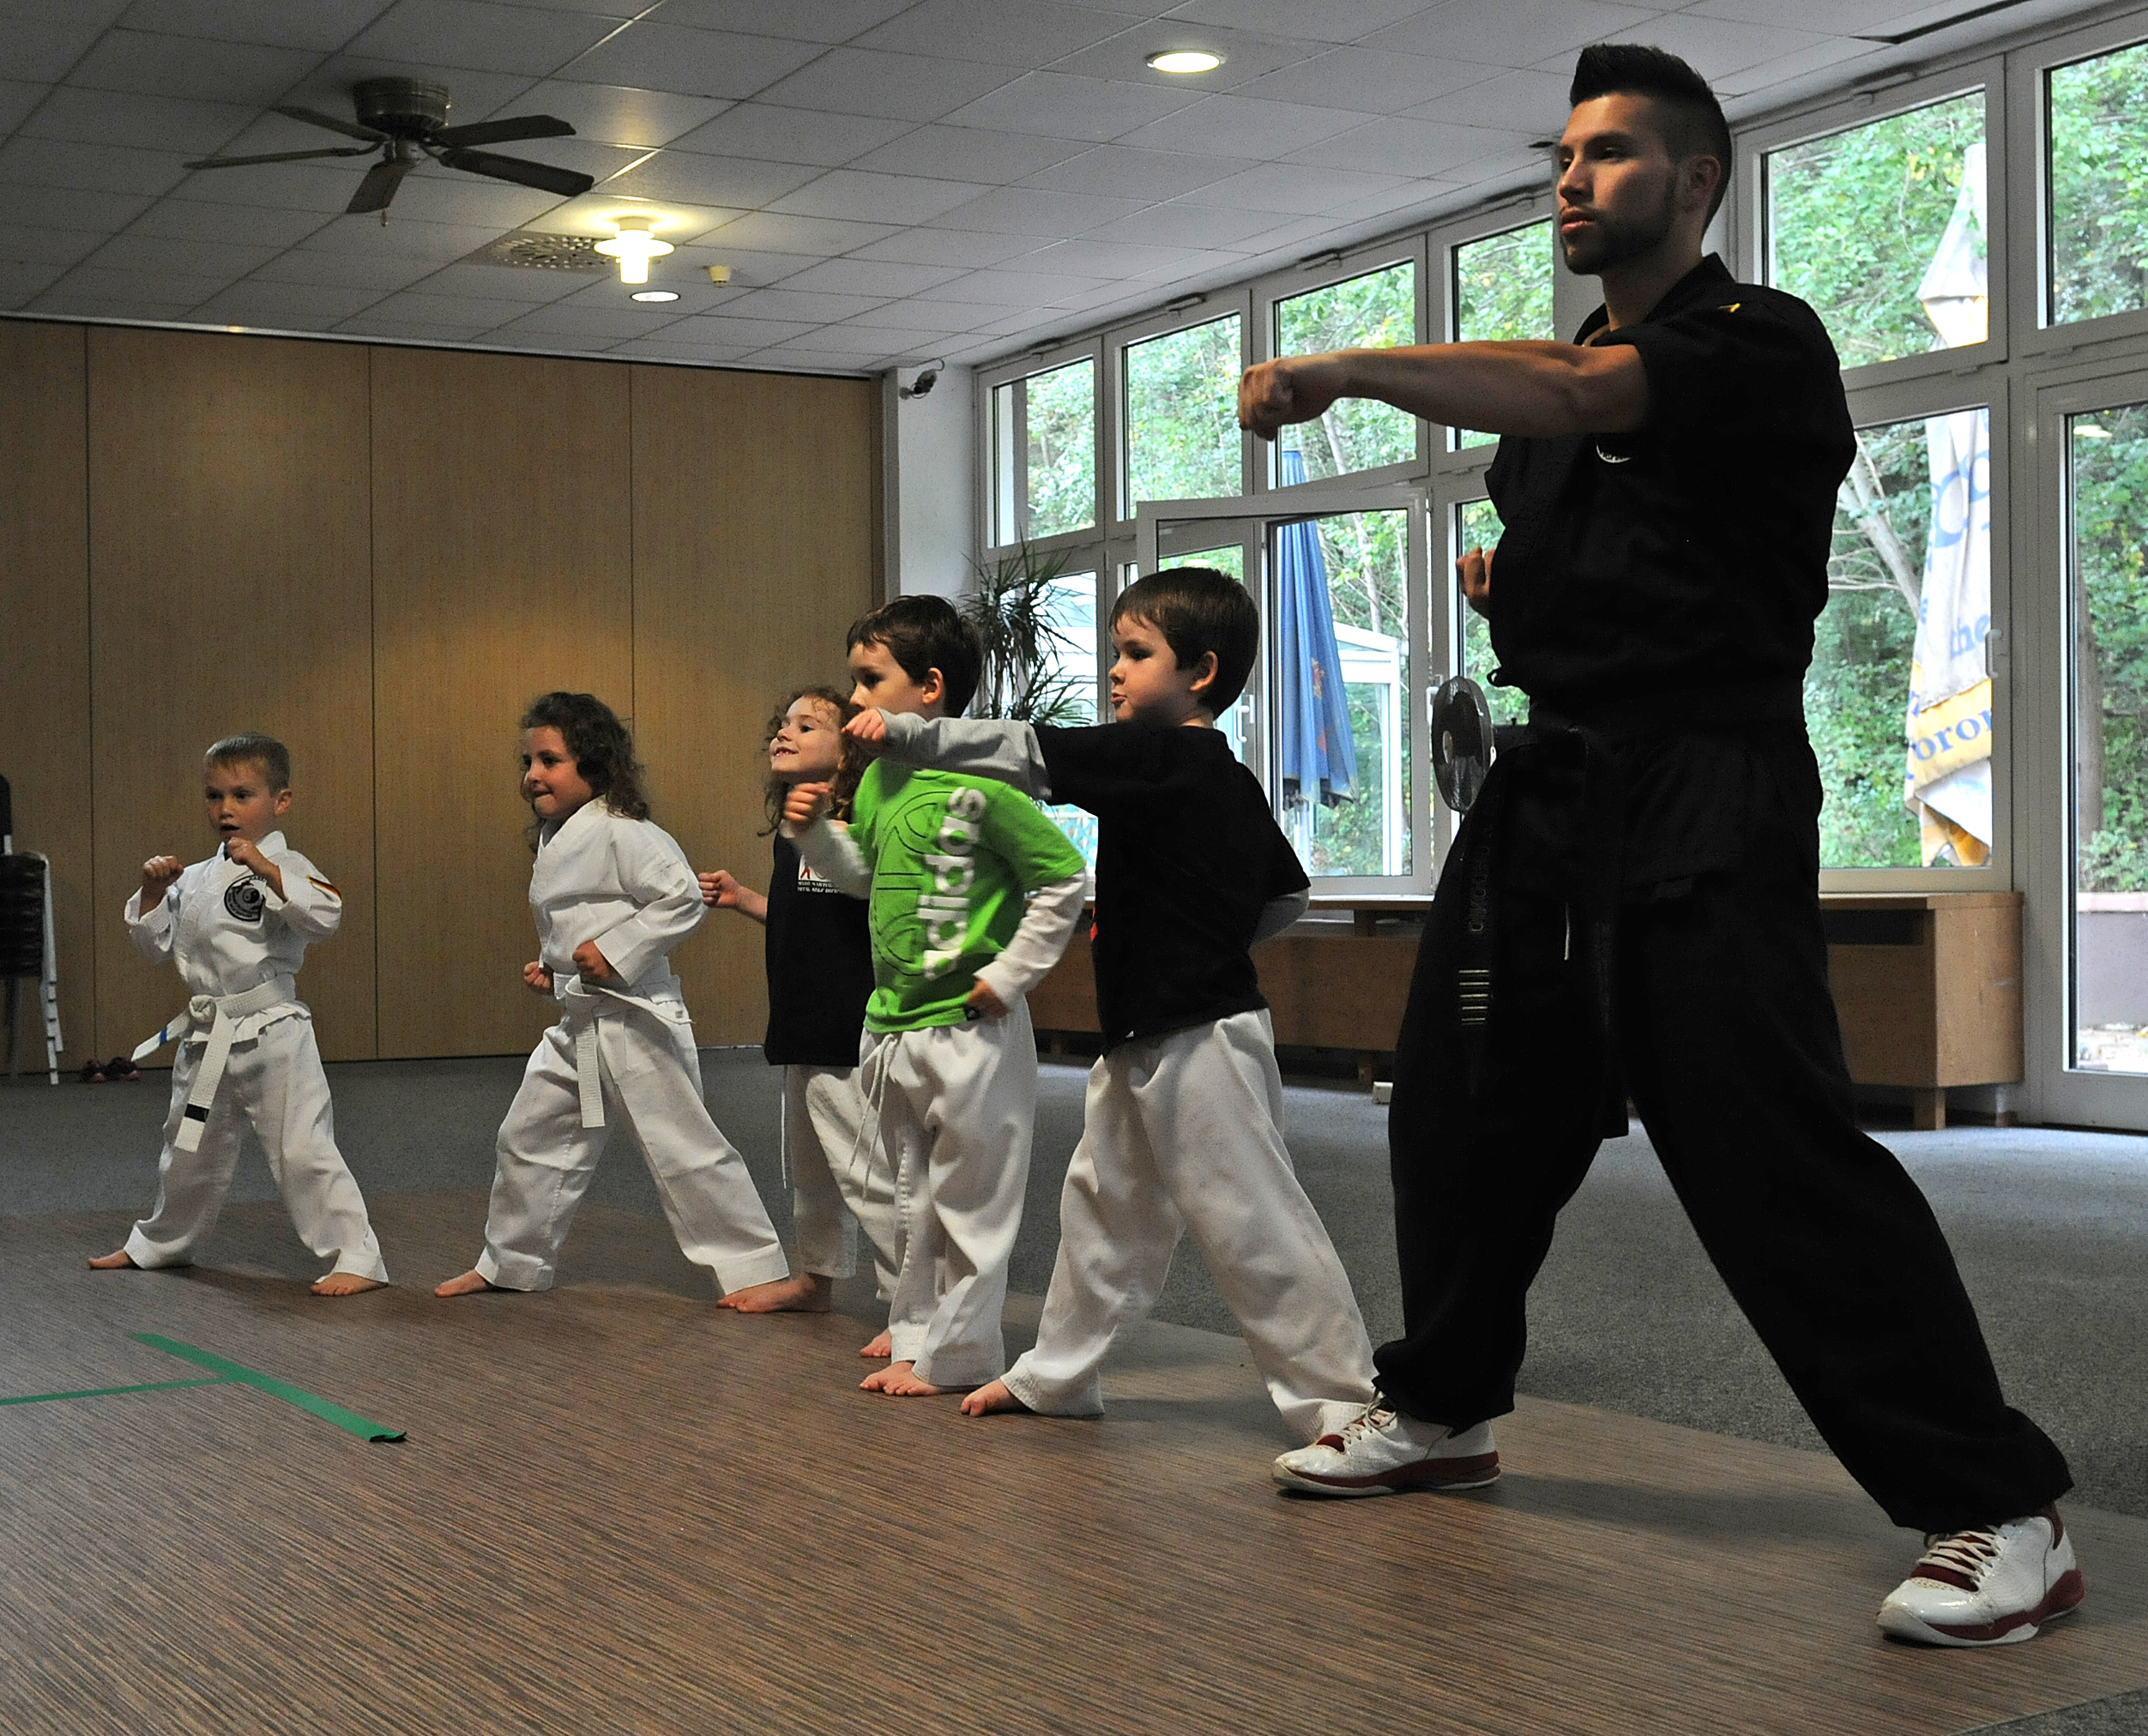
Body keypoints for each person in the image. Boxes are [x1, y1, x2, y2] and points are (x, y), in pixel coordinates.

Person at [1241, 44, 2081, 1649]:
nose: (1570, 177)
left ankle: (1994, 1500)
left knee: (1760, 1150)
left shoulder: (1755, 335)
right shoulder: (1565, 376)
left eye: (1610, 153)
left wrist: (1347, 366)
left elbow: (1586, 404)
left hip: (1704, 785)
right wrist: (1519, 586)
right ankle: (1444, 1403)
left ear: (1692, 183)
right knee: (1465, 1112)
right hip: (1549, 790)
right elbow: (1607, 507)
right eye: (1560, 153)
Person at [849, 569, 1391, 1453]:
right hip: (1144, 1032)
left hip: (1200, 1037)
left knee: (1248, 1213)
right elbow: (1282, 894)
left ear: (1201, 672)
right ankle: (1057, 1373)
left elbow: (1022, 750)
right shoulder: (1210, 775)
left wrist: (912, 733)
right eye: (1114, 653)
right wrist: (1194, 934)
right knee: (1102, 1210)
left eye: (1134, 654)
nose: (1113, 672)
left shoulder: (1166, 755)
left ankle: (1339, 1400)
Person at [784, 596, 1087, 1396]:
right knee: (916, 1201)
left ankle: (961, 1353)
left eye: (868, 680)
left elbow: (1063, 880)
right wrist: (816, 836)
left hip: (971, 1025)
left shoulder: (987, 779)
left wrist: (1011, 974)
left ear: (930, 689)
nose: (853, 699)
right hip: (894, 1024)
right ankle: (916, 1331)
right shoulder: (880, 779)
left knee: (972, 1202)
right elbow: (864, 880)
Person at [436, 692, 793, 1306]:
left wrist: (619, 951)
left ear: (594, 765)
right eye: (528, 762)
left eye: (549, 761)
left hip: (635, 1022)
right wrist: (557, 973)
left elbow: (680, 898)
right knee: (527, 1137)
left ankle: (755, 1269)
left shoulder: (627, 832)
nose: (533, 776)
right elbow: (578, 925)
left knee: (683, 1149)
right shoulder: (558, 835)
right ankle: (512, 1261)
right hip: (581, 1020)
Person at [89, 732, 389, 1296]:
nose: (225, 809)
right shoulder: (197, 876)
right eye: (213, 796)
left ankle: (356, 1256)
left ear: (281, 801)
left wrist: (268, 870)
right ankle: (163, 1242)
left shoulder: (289, 864)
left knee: (301, 1146)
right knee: (188, 1142)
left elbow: (326, 914)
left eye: (242, 794)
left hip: (271, 1033)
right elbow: (154, 947)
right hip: (208, 1040)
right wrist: (153, 892)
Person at [697, 686, 903, 1353]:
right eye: (781, 722)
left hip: (847, 1025)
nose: (784, 733)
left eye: (807, 725)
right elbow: (803, 917)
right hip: (800, 1019)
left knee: (864, 1169)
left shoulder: (855, 830)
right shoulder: (793, 830)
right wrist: (747, 898)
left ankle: (911, 1300)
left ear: (848, 752)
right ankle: (816, 1279)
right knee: (810, 1168)